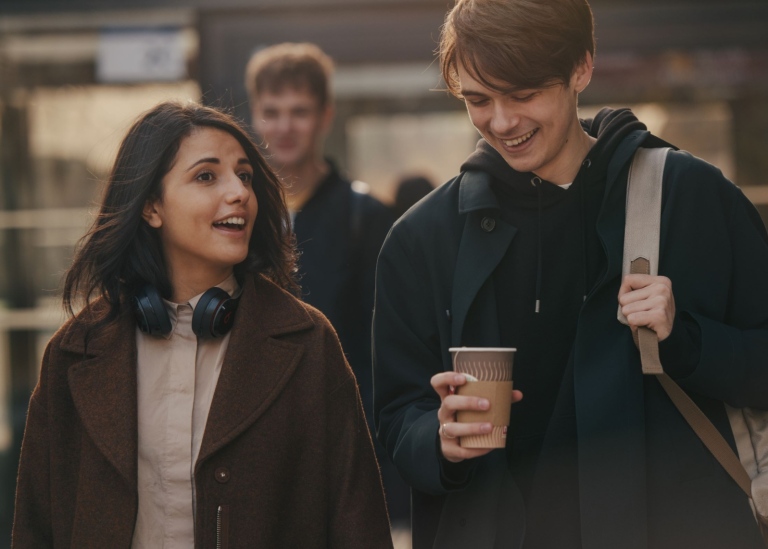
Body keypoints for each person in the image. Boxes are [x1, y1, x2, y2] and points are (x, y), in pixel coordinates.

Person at [372, 1, 768, 548]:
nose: (502, 122)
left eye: (524, 94)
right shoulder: (423, 240)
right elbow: (395, 415)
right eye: (478, 100)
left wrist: (689, 339)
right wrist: (438, 439)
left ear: (581, 68)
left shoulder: (690, 198)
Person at [12, 101, 393, 548]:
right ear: (151, 206)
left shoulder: (307, 342)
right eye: (207, 176)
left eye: (245, 175)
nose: (239, 193)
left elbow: (357, 522)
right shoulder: (76, 350)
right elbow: (35, 526)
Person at [244, 43, 405, 524]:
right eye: (271, 112)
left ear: (325, 115)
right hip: (255, 444)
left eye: (299, 111)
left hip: (343, 442)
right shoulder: (235, 215)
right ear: (254, 115)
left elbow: (385, 352)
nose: (284, 126)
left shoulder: (366, 218)